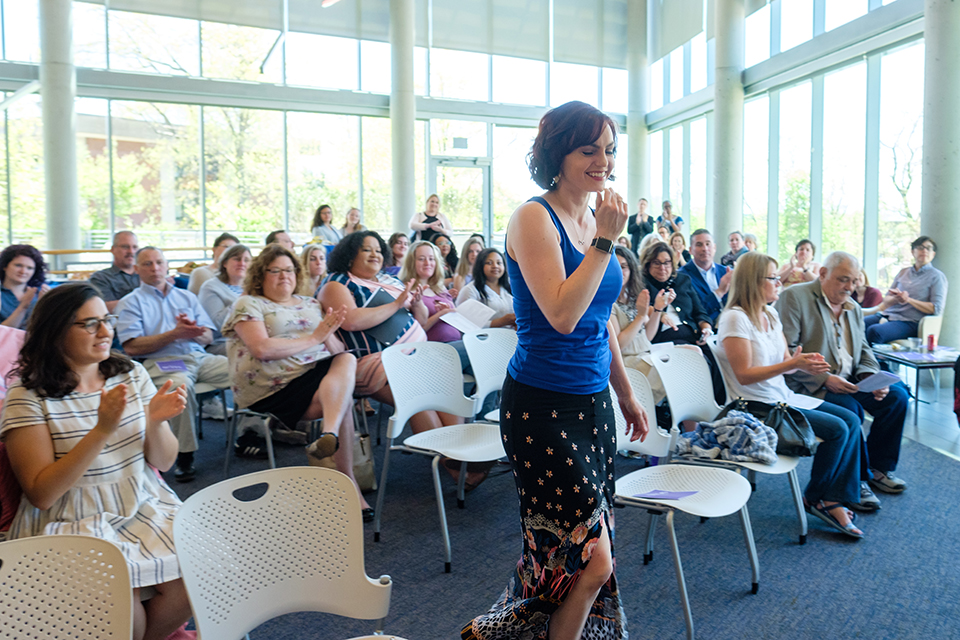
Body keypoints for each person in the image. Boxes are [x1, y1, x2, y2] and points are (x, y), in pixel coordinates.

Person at [462, 101, 648, 640]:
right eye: (589, 149)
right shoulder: (532, 218)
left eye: (609, 150)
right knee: (592, 561)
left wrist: (627, 392)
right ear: (557, 154)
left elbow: (601, 318)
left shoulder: (594, 218)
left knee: (572, 556)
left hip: (594, 404)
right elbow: (563, 316)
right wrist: (606, 242)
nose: (603, 161)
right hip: (540, 408)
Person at [1, 283, 192, 640]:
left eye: (107, 320)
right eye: (90, 324)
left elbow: (163, 463)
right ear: (56, 332)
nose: (106, 332)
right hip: (71, 515)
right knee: (124, 607)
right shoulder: (27, 395)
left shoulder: (129, 373)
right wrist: (101, 430)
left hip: (141, 503)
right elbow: (42, 493)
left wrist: (155, 421)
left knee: (198, 579)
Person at [715, 252, 867, 538]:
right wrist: (793, 363)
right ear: (753, 282)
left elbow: (785, 358)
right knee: (837, 429)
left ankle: (824, 496)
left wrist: (803, 360)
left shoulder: (769, 313)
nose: (779, 282)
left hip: (779, 396)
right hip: (753, 406)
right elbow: (744, 374)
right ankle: (823, 498)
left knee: (851, 418)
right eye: (772, 278)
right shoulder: (735, 318)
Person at [221, 244, 372, 516]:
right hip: (274, 387)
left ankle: (329, 436)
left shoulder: (311, 303)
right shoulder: (249, 304)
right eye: (275, 271)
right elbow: (261, 349)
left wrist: (327, 333)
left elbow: (337, 352)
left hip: (314, 380)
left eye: (289, 270)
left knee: (347, 361)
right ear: (260, 275)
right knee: (344, 400)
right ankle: (347, 478)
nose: (284, 276)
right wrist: (314, 338)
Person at [317, 231, 473, 481]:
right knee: (420, 397)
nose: (375, 254)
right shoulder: (337, 284)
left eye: (378, 250)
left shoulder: (390, 281)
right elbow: (352, 321)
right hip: (375, 361)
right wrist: (396, 304)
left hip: (417, 354)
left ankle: (463, 455)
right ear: (349, 255)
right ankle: (455, 466)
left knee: (447, 393)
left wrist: (417, 303)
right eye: (367, 249)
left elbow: (420, 322)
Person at [777, 251, 910, 504]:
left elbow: (863, 350)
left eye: (854, 281)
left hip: (851, 380)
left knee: (897, 398)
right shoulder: (795, 297)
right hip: (810, 384)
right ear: (823, 274)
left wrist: (871, 376)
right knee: (852, 410)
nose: (849, 287)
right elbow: (789, 354)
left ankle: (879, 469)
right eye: (843, 280)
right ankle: (858, 479)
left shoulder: (853, 307)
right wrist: (825, 379)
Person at [115, 247, 230, 483]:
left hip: (199, 356)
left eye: (159, 262)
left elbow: (208, 337)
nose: (155, 268)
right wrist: (175, 334)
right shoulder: (130, 302)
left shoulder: (186, 297)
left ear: (167, 266)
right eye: (147, 264)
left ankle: (253, 431)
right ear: (136, 269)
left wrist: (194, 332)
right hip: (164, 361)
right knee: (180, 388)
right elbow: (132, 347)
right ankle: (184, 455)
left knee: (244, 370)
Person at [610, 246, 674, 402]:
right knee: (676, 371)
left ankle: (688, 422)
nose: (620, 271)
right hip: (628, 362)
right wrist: (640, 316)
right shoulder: (609, 302)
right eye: (615, 266)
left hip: (646, 354)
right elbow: (618, 345)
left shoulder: (632, 296)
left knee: (692, 353)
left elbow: (648, 337)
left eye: (624, 267)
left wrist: (658, 308)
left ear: (631, 269)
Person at [863, 236, 947, 344]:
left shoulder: (937, 277)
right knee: (857, 324)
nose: (924, 250)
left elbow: (936, 308)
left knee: (875, 331)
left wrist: (908, 300)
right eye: (921, 247)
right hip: (888, 315)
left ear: (933, 254)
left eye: (928, 248)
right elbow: (886, 299)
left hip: (910, 322)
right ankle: (853, 360)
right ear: (913, 252)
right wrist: (896, 298)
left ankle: (875, 361)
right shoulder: (903, 272)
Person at [399, 241, 461, 346]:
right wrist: (440, 314)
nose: (428, 263)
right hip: (433, 348)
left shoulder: (439, 287)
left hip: (456, 340)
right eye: (421, 259)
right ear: (412, 262)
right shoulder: (406, 291)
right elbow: (414, 332)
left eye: (431, 259)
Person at [198, 243, 251, 356]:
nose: (242, 263)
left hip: (251, 337)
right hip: (222, 343)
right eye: (237, 259)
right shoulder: (210, 287)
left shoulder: (254, 287)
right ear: (225, 263)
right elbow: (217, 325)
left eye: (246, 260)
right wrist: (242, 298)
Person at [679, 229, 733, 327]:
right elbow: (693, 312)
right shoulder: (682, 276)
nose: (705, 248)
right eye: (699, 245)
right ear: (690, 250)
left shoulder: (725, 271)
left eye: (708, 244)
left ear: (714, 247)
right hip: (706, 329)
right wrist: (719, 292)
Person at [456, 248, 516, 329]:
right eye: (489, 263)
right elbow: (464, 322)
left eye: (499, 263)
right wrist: (500, 322)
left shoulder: (510, 286)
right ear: (480, 266)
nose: (495, 266)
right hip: (484, 338)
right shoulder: (470, 290)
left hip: (512, 335)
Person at [0, 244, 49, 329]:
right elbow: (2, 333)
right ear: (5, 266)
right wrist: (23, 306)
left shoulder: (41, 293)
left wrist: (46, 306)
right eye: (18, 265)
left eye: (29, 268)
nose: (23, 271)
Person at [90, 231, 140, 312]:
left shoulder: (146, 275)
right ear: (113, 249)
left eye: (135, 247)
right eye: (125, 247)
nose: (131, 251)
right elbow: (103, 307)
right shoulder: (100, 278)